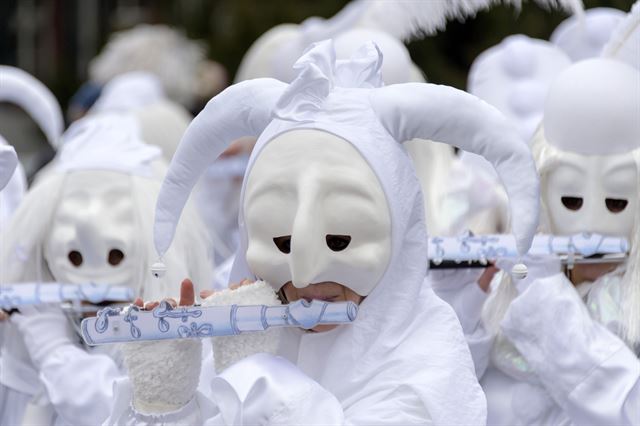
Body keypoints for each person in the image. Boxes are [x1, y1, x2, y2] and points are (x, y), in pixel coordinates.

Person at [106, 39, 541, 425]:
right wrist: (168, 399)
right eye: (281, 242)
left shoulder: (426, 358)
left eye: (339, 241)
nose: (305, 271)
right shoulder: (237, 332)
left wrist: (254, 372)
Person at [432, 14, 640, 423]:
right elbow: (445, 404)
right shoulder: (513, 290)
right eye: (571, 200)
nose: (590, 226)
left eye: (617, 202)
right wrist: (459, 313)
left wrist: (549, 306)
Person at [0, 113, 212, 426]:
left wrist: (55, 353)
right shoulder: (33, 324)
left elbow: (128, 412)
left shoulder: (191, 344)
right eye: (73, 258)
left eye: (115, 257)